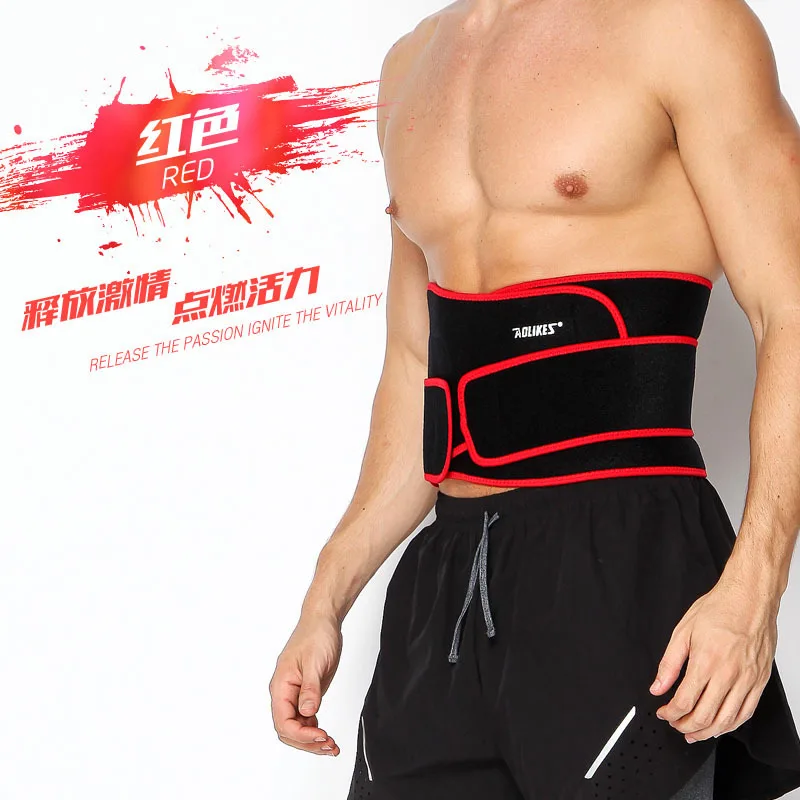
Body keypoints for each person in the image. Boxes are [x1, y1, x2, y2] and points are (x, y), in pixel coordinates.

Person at [269, 0, 800, 797]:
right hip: (445, 583)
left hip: (621, 560)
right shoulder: (410, 65)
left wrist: (754, 591)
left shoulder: (682, 25)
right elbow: (416, 363)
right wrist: (326, 596)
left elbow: (790, 309)